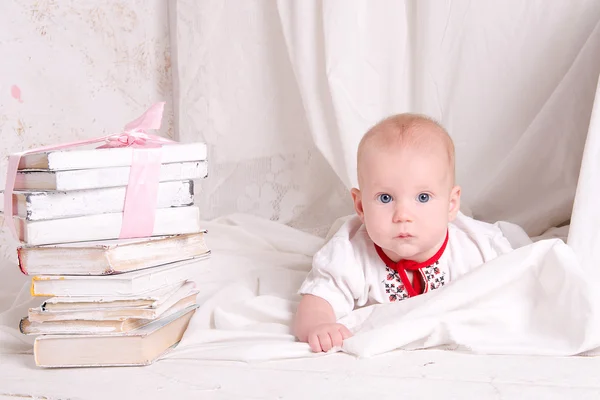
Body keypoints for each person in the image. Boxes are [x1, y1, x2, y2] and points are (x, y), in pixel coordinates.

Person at [293, 113, 515, 353]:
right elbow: (317, 301)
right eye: (385, 198)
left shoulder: (480, 246)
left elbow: (518, 284)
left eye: (423, 197)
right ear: (360, 206)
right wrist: (320, 325)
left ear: (451, 204)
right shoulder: (349, 253)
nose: (402, 215)